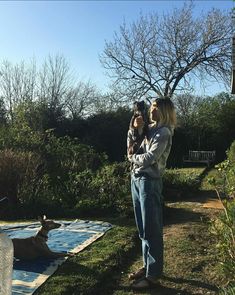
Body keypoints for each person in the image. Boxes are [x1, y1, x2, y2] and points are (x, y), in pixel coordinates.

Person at [127, 98, 177, 289]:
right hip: (136, 180)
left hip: (149, 182)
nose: (151, 109)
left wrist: (132, 158)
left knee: (152, 229)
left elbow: (150, 158)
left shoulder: (163, 131)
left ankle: (153, 275)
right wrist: (136, 128)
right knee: (142, 229)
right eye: (152, 106)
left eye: (156, 107)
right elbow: (136, 141)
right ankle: (147, 266)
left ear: (164, 110)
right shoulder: (150, 128)